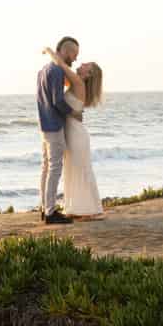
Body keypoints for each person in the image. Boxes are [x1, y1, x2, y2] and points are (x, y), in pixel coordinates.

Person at [43, 50, 105, 220]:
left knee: (80, 169)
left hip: (76, 133)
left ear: (88, 74)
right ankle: (76, 208)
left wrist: (49, 51)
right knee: (72, 169)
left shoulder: (78, 82)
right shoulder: (74, 82)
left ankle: (91, 209)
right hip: (72, 131)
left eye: (87, 65)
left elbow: (61, 64)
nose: (82, 64)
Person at [36, 37, 80, 223]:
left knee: (46, 167)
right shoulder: (56, 71)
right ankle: (50, 213)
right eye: (74, 54)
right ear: (66, 51)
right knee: (54, 168)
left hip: (44, 124)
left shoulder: (43, 70)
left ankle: (44, 207)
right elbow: (57, 101)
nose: (75, 59)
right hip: (54, 125)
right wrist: (73, 112)